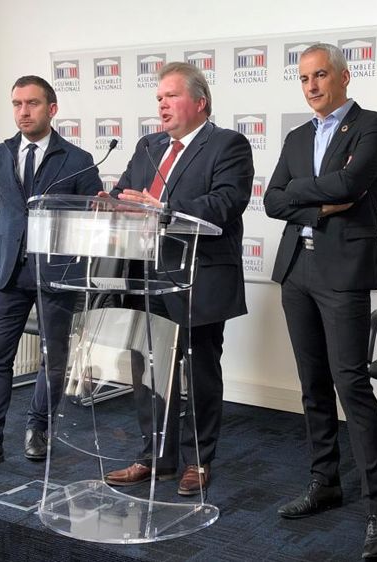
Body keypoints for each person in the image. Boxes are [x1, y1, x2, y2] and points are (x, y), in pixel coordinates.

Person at [263, 43, 377, 558]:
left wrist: (303, 191)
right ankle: (326, 483)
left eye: (321, 75)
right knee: (312, 385)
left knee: (351, 386)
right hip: (298, 270)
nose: (312, 85)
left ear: (343, 76)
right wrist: (320, 205)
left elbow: (353, 182)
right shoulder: (298, 136)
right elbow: (274, 199)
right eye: (304, 78)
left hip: (343, 272)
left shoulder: (371, 125)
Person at [101, 62, 253, 496]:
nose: (161, 105)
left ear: (199, 102)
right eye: (158, 98)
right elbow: (128, 194)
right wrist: (109, 203)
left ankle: (198, 460)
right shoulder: (149, 146)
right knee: (148, 371)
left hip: (197, 276)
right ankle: (155, 457)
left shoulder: (228, 144)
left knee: (199, 371)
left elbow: (226, 203)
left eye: (170, 96)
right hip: (144, 275)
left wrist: (162, 208)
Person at [0, 76, 102, 477]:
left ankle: (38, 428)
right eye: (16, 104)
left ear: (52, 108)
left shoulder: (79, 160)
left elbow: (88, 220)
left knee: (54, 360)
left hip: (56, 272)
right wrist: (17, 240)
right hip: (6, 271)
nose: (23, 111)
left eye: (31, 103)